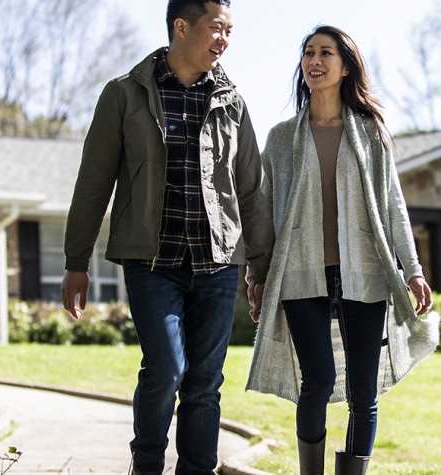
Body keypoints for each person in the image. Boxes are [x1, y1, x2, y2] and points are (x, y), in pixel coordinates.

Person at [60, 0, 273, 473]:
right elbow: (94, 183)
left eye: (230, 31)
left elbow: (252, 189)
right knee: (167, 371)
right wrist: (77, 262)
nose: (225, 40)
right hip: (152, 262)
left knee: (204, 383)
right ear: (181, 26)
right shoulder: (124, 94)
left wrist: (261, 269)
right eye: (216, 28)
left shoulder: (231, 102)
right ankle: (147, 465)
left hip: (217, 264)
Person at [244, 25, 439, 475]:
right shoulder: (279, 139)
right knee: (318, 381)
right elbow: (262, 210)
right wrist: (256, 275)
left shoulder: (371, 134)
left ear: (345, 65)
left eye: (325, 53)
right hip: (299, 272)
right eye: (308, 53)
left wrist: (412, 269)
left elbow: (393, 204)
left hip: (365, 272)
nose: (314, 60)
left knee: (362, 393)